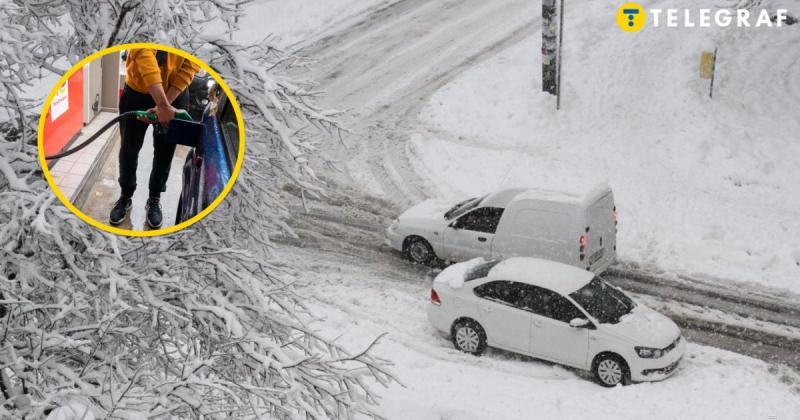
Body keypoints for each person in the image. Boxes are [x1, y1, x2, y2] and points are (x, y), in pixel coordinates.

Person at [109, 49, 199, 228]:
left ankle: (154, 198)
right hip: (137, 92)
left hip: (175, 94)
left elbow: (191, 63)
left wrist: (165, 105)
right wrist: (162, 105)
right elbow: (143, 53)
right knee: (129, 148)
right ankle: (126, 195)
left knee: (165, 152)